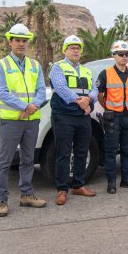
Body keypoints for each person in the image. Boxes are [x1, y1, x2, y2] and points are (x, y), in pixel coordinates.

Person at [0, 23, 47, 217]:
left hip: (32, 120)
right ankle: (1, 200)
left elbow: (41, 90)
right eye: (17, 40)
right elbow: (3, 93)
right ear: (10, 41)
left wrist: (33, 106)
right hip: (11, 121)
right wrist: (25, 106)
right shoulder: (2, 65)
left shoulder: (35, 65)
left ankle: (26, 195)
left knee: (28, 159)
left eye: (24, 40)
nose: (21, 44)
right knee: (5, 161)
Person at [49, 35, 98, 205]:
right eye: (72, 47)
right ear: (65, 50)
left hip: (82, 118)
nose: (76, 50)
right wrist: (82, 103)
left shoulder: (86, 70)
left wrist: (89, 99)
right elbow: (61, 89)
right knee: (63, 153)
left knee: (82, 152)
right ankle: (62, 189)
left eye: (78, 48)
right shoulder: (57, 67)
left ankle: (78, 185)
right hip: (64, 116)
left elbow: (94, 89)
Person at [96, 40, 128, 194]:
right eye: (121, 54)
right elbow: (100, 95)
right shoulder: (106, 73)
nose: (124, 57)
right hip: (113, 117)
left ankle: (126, 179)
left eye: (127, 54)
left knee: (127, 150)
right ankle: (111, 182)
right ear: (114, 56)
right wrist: (108, 108)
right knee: (110, 151)